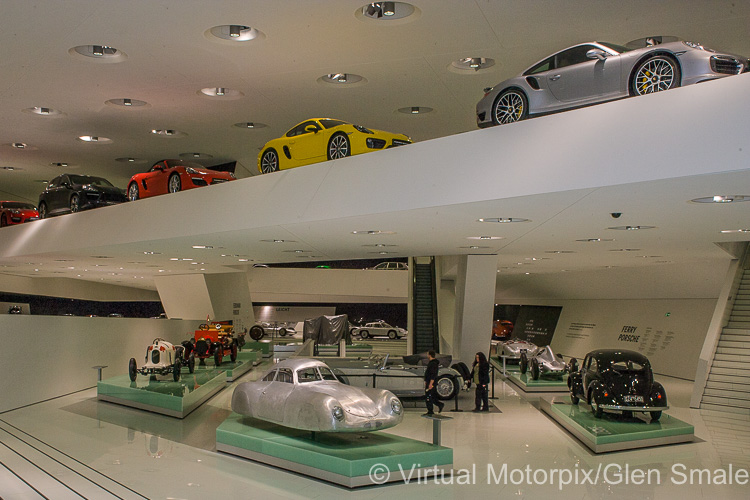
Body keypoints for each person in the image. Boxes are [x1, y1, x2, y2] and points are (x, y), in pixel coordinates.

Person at [424, 350, 444, 415]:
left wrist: (430, 383)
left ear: (430, 355)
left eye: (428, 354)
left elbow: (433, 374)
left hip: (431, 383)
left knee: (428, 396)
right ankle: (439, 404)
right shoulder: (432, 363)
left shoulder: (433, 364)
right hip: (429, 382)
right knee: (432, 396)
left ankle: (430, 410)